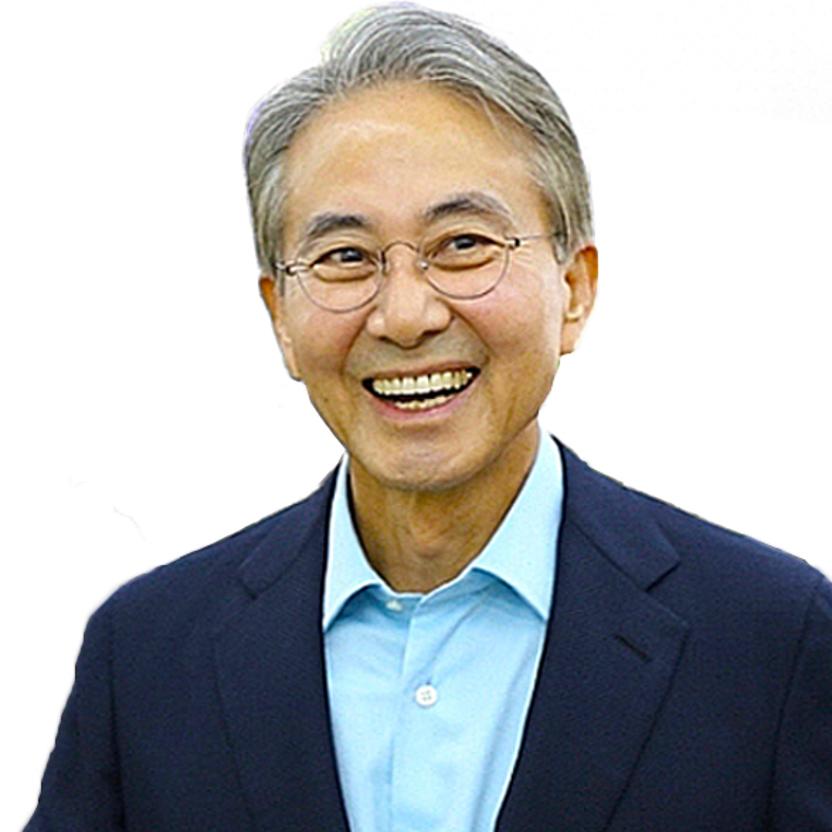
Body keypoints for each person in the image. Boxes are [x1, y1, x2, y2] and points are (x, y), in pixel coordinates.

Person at [26, 4, 832, 831]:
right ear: (280, 318)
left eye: (463, 244)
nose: (405, 315)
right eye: (346, 257)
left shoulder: (771, 643)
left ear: (575, 290)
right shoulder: (147, 659)